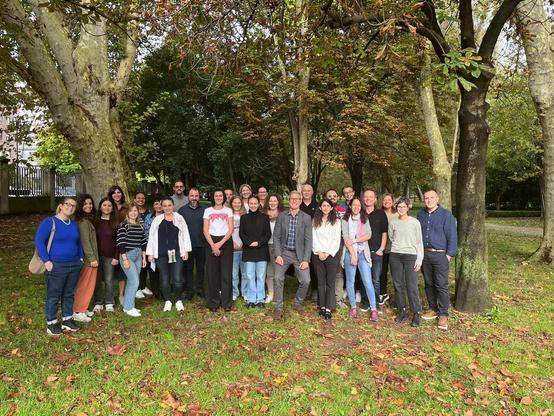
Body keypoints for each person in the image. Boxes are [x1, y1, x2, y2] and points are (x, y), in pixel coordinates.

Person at [35, 196, 83, 336]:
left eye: (73, 206)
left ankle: (67, 320)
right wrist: (46, 261)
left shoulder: (73, 224)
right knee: (54, 295)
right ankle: (52, 323)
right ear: (61, 206)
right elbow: (39, 241)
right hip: (56, 265)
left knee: (69, 293)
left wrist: (80, 258)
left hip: (74, 264)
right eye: (67, 204)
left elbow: (78, 242)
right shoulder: (49, 222)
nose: (70, 207)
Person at [417, 190, 458, 331]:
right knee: (428, 283)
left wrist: (449, 255)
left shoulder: (446, 215)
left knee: (441, 284)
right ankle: (433, 309)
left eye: (432, 198)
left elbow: (452, 236)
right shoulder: (421, 214)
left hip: (440, 255)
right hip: (425, 254)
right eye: (426, 198)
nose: (429, 200)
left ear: (437, 199)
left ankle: (443, 314)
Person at [272, 190, 312, 320]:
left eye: (296, 199)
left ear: (300, 201)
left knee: (306, 280)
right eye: (292, 199)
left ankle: (297, 303)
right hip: (284, 253)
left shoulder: (306, 218)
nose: (294, 201)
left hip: (299, 255)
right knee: (277, 278)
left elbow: (308, 240)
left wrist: (306, 259)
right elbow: (276, 237)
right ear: (289, 201)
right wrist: (278, 255)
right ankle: (278, 308)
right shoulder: (282, 216)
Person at [146, 197, 191, 312]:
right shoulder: (157, 220)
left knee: (177, 278)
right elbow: (151, 237)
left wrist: (186, 250)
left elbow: (185, 234)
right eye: (164, 206)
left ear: (173, 205)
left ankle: (178, 300)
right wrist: (150, 253)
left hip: (177, 253)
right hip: (161, 254)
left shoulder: (179, 218)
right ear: (162, 207)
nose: (167, 208)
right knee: (165, 278)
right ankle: (168, 300)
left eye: (169, 205)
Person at [388, 197, 424, 327]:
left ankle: (416, 312)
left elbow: (419, 241)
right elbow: (392, 238)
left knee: (411, 285)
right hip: (395, 255)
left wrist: (419, 259)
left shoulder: (415, 223)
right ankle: (401, 310)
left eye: (404, 206)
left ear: (408, 207)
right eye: (399, 206)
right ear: (396, 208)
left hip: (410, 256)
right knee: (398, 284)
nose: (401, 209)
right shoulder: (393, 223)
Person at [341, 197, 378, 321]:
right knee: (350, 281)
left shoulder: (364, 219)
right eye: (354, 205)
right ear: (350, 206)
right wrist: (353, 255)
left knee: (368, 281)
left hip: (363, 253)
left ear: (361, 207)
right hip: (349, 253)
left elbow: (369, 235)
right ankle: (353, 307)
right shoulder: (345, 219)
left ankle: (373, 309)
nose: (356, 207)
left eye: (358, 205)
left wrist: (355, 240)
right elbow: (346, 239)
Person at [203, 190, 234, 312]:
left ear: (224, 197)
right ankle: (213, 302)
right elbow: (205, 229)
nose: (218, 197)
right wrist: (213, 245)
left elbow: (231, 229)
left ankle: (226, 302)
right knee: (212, 273)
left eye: (221, 195)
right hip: (211, 241)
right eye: (216, 196)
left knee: (226, 272)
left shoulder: (228, 211)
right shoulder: (208, 211)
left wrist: (220, 244)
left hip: (225, 241)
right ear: (213, 197)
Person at [312, 199, 341, 320]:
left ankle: (329, 308)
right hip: (317, 255)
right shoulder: (315, 221)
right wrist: (319, 252)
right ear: (320, 207)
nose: (325, 208)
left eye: (328, 205)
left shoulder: (337, 222)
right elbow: (314, 238)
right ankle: (322, 306)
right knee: (320, 282)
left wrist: (327, 252)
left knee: (330, 282)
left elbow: (336, 239)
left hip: (331, 255)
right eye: (323, 205)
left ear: (331, 208)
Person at [240, 195, 271, 307]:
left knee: (261, 276)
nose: (253, 205)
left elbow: (268, 234)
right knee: (249, 275)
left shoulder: (265, 217)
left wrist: (258, 242)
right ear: (248, 204)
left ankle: (260, 299)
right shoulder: (244, 218)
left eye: (255, 203)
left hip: (261, 250)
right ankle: (251, 299)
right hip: (249, 250)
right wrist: (249, 242)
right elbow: (241, 233)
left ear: (258, 204)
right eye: (251, 203)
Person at [72, 194, 99, 323]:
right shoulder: (82, 222)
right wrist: (92, 258)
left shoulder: (85, 219)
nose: (88, 206)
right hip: (88, 260)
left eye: (90, 203)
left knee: (87, 285)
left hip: (89, 259)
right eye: (85, 204)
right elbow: (85, 242)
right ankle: (78, 311)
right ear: (80, 206)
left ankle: (83, 307)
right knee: (85, 285)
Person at [117, 204, 147, 317]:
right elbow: (121, 243)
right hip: (127, 255)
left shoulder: (140, 225)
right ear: (127, 213)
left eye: (135, 211)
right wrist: (125, 259)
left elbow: (143, 241)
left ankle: (127, 305)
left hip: (138, 255)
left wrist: (144, 257)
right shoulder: (124, 225)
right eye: (131, 211)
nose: (133, 213)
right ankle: (129, 308)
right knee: (135, 282)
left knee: (131, 281)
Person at [361, 189, 388, 312]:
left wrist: (381, 249)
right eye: (366, 196)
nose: (368, 199)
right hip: (362, 251)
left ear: (375, 199)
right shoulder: (360, 213)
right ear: (363, 199)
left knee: (375, 279)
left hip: (376, 251)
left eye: (371, 196)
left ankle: (375, 303)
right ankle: (366, 302)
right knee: (364, 278)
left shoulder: (380, 214)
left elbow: (384, 232)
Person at [178, 187, 207, 300]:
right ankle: (190, 290)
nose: (194, 198)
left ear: (199, 197)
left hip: (202, 244)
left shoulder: (205, 210)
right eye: (192, 196)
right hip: (188, 246)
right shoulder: (182, 211)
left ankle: (199, 288)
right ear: (188, 197)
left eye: (196, 196)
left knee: (200, 268)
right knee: (188, 269)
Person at [93, 197, 119, 313]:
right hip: (97, 256)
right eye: (104, 205)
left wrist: (116, 256)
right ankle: (98, 302)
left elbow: (119, 241)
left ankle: (109, 302)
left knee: (109, 280)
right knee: (97, 280)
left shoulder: (115, 223)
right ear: (100, 207)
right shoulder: (95, 222)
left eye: (109, 205)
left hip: (110, 256)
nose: (107, 207)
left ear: (112, 208)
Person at [326, 188, 346, 309]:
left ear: (337, 198)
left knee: (338, 270)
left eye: (334, 196)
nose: (332, 198)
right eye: (329, 196)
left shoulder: (342, 210)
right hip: (325, 244)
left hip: (339, 244)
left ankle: (338, 297)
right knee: (326, 271)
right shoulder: (322, 210)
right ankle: (327, 296)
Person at [108, 185, 128, 305]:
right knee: (109, 270)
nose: (116, 194)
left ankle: (121, 294)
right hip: (110, 239)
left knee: (122, 270)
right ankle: (109, 296)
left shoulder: (126, 207)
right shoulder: (108, 206)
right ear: (111, 195)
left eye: (118, 192)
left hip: (124, 238)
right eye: (114, 193)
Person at [263, 193, 284, 304]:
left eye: (275, 201)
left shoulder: (283, 215)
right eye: (270, 201)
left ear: (278, 202)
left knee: (278, 273)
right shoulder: (263, 215)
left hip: (279, 247)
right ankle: (270, 293)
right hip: (266, 246)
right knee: (269, 272)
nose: (272, 203)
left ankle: (278, 295)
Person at [143, 195, 164, 299]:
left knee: (163, 269)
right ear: (153, 206)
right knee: (153, 269)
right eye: (156, 204)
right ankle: (156, 290)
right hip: (151, 246)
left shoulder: (167, 216)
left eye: (160, 204)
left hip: (163, 246)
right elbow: (146, 232)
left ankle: (165, 289)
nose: (158, 206)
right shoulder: (148, 217)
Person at [380, 193, 398, 306]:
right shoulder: (379, 213)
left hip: (395, 249)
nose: (387, 201)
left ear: (392, 201)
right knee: (382, 273)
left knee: (396, 274)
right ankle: (383, 293)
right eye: (384, 200)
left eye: (389, 199)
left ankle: (398, 297)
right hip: (383, 249)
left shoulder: (398, 214)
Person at [135, 191, 153, 299]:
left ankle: (143, 286)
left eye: (143, 198)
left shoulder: (149, 213)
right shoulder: (133, 212)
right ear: (135, 199)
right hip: (135, 242)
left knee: (144, 265)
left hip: (146, 243)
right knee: (137, 266)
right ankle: (136, 288)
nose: (141, 200)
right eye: (138, 198)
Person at [230, 195, 247, 301]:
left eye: (239, 202)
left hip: (244, 247)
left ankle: (245, 292)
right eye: (234, 202)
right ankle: (235, 292)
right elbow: (226, 231)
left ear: (241, 204)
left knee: (245, 273)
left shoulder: (245, 215)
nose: (237, 204)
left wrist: (244, 243)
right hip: (232, 248)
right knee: (234, 273)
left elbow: (248, 232)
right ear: (231, 203)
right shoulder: (228, 215)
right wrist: (232, 243)